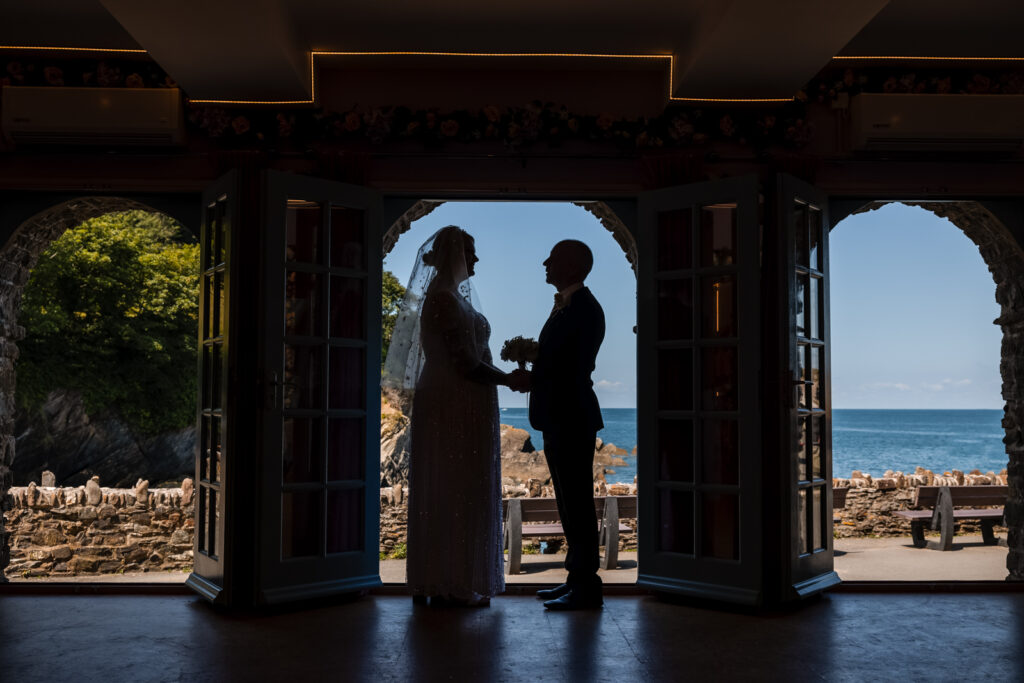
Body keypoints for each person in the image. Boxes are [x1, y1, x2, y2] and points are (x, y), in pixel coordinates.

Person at [383, 225, 509, 606]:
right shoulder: (441, 299)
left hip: (463, 398)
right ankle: (447, 579)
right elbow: (464, 362)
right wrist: (513, 380)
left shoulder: (452, 297)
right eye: (470, 251)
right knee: (453, 484)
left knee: (463, 486)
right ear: (454, 253)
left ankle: (456, 576)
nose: (475, 258)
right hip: (451, 400)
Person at [509, 240, 606, 610]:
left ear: (571, 266)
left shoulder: (583, 308)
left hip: (571, 414)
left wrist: (533, 377)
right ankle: (576, 580)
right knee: (567, 503)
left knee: (578, 503)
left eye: (552, 258)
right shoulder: (569, 305)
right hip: (561, 415)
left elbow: (573, 367)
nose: (544, 263)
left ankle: (586, 587)